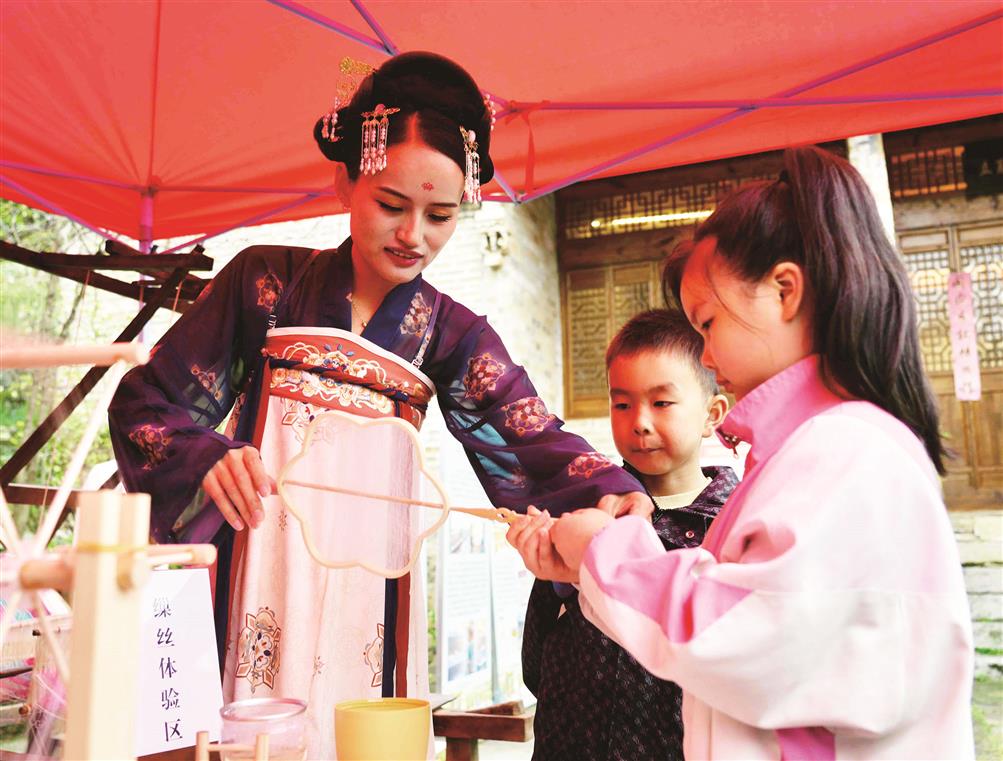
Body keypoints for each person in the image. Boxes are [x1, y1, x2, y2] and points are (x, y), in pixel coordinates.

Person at [108, 51, 650, 758]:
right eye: (391, 204)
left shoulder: (452, 333)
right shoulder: (263, 284)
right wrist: (208, 456)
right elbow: (146, 403)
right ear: (345, 180)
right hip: (255, 568)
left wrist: (612, 493)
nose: (413, 235)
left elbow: (529, 436)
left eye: (440, 215)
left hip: (376, 594)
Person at [545, 146, 975, 759]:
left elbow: (746, 638)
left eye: (708, 325)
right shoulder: (809, 454)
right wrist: (588, 567)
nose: (709, 357)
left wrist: (603, 552)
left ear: (784, 291)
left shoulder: (849, 453)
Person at [517, 309, 736, 760]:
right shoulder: (584, 513)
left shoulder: (730, 527)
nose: (639, 421)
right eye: (622, 404)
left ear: (712, 414)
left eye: (661, 403)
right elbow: (537, 659)